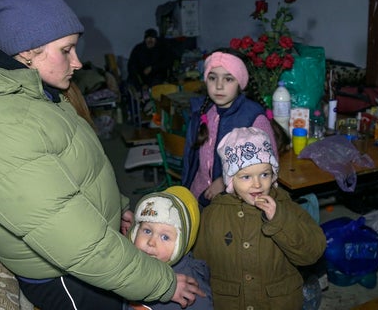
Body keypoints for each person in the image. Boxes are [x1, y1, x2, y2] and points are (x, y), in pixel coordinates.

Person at [0, 0, 204, 309]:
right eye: (66, 50)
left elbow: (75, 165)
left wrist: (116, 207)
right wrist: (160, 283)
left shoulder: (32, 92)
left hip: (89, 254)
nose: (78, 62)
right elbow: (75, 243)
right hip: (66, 275)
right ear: (28, 51)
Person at [192, 127, 326, 309]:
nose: (257, 184)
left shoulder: (286, 207)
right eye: (246, 176)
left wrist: (279, 220)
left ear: (273, 175)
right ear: (231, 180)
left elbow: (312, 252)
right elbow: (200, 262)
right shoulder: (213, 215)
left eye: (264, 174)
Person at [181, 48, 289, 208]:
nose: (218, 86)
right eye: (212, 78)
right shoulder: (204, 112)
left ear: (240, 83)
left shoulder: (254, 119)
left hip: (236, 205)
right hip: (199, 197)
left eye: (228, 79)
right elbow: (191, 163)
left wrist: (226, 182)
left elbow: (269, 170)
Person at [126, 186, 213, 310]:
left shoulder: (190, 291)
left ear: (182, 243)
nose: (151, 242)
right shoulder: (128, 265)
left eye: (165, 237)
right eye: (147, 230)